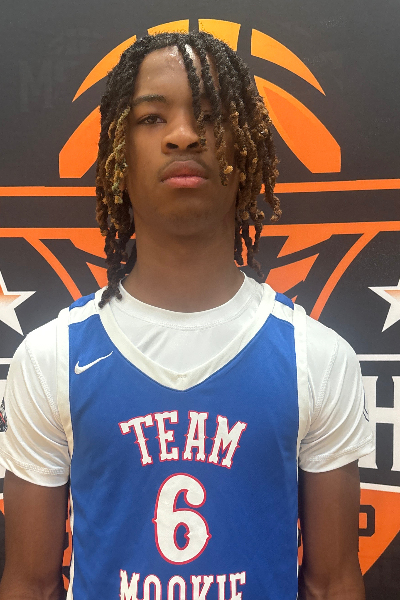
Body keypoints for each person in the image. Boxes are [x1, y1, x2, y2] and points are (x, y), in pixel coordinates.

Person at [0, 31, 373, 600]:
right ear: (119, 156)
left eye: (211, 116)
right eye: (152, 118)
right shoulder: (51, 357)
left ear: (245, 150)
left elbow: (332, 583)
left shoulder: (316, 358)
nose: (184, 135)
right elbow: (31, 584)